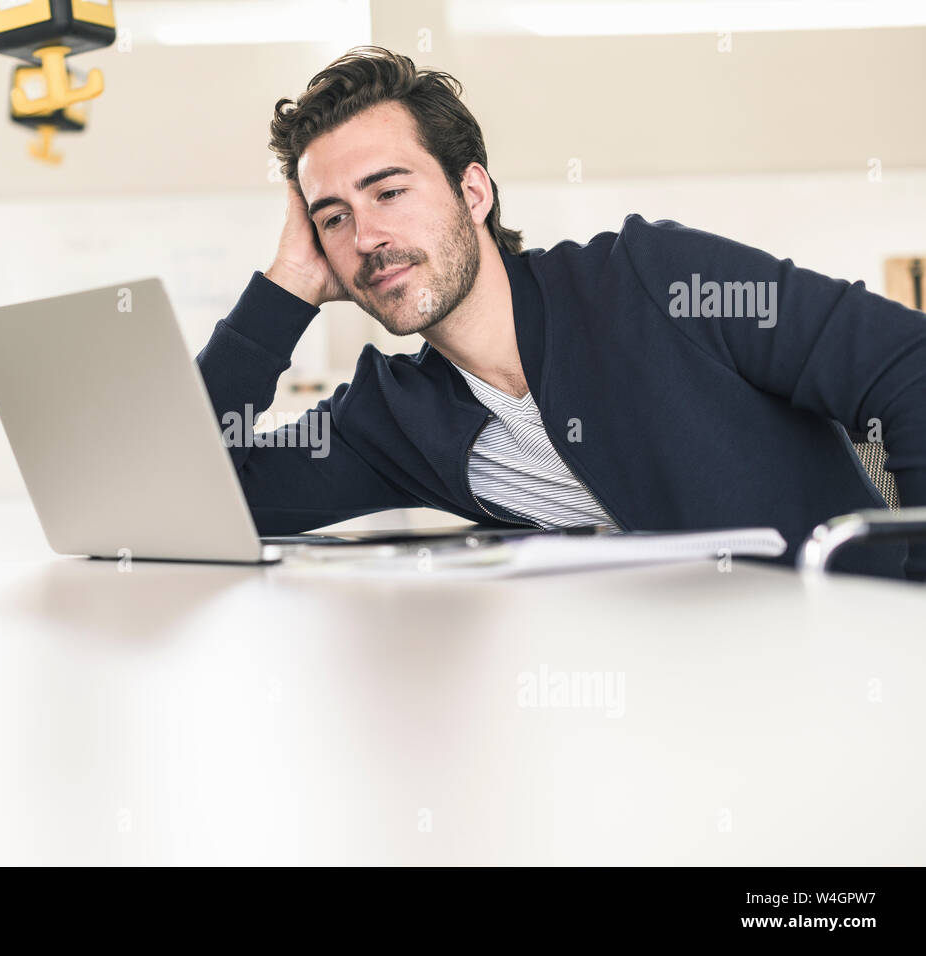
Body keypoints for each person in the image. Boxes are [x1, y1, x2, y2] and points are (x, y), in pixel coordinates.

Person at [194, 46, 926, 580]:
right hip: (653, 721)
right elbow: (200, 496)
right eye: (332, 219)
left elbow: (908, 367)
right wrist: (285, 287)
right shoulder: (393, 420)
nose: (367, 237)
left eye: (389, 192)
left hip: (839, 656)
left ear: (472, 193)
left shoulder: (655, 278)